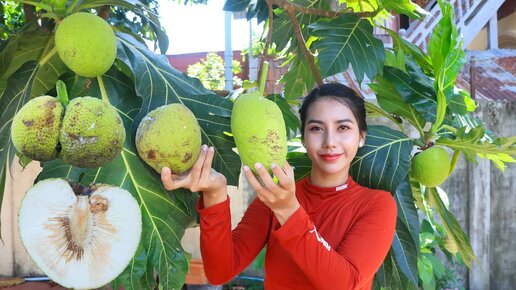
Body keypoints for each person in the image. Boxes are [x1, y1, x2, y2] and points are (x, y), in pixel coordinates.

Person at [161, 83, 397, 290]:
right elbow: (220, 271)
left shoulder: (377, 205)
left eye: (343, 128)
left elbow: (343, 283)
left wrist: (289, 212)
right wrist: (214, 194)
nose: (330, 142)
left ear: (362, 136)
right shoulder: (273, 199)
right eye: (316, 128)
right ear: (303, 138)